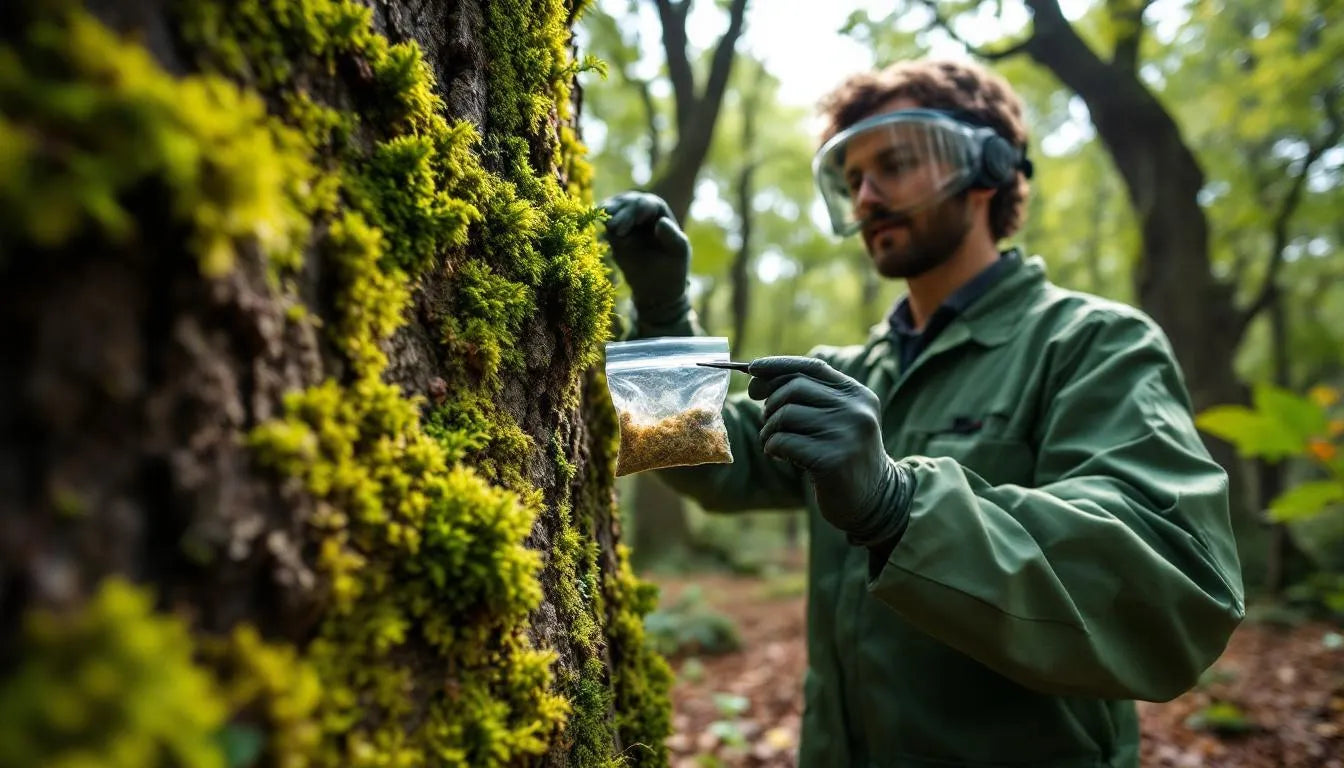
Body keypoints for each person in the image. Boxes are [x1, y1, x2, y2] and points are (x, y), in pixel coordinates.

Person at [601, 59, 1244, 767]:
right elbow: (704, 466)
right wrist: (662, 320)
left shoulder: (1090, 345)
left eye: (895, 164)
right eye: (850, 181)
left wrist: (899, 507)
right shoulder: (846, 373)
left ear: (989, 167)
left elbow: (1174, 590)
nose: (867, 196)